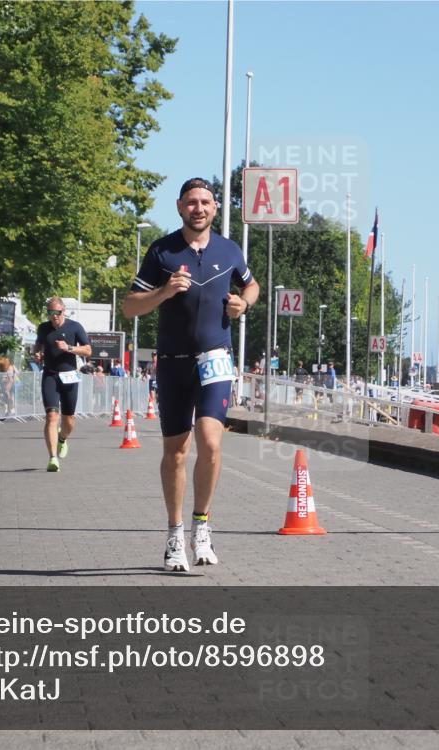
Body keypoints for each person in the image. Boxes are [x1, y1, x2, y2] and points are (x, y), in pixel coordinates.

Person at [122, 177, 259, 571]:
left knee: (211, 442)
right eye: (191, 203)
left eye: (205, 202)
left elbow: (252, 287)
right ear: (180, 207)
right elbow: (131, 307)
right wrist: (163, 292)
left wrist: (242, 306)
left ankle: (202, 526)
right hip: (174, 361)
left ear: (215, 208)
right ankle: (174, 533)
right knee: (176, 452)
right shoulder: (161, 251)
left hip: (216, 358)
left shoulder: (230, 250)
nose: (198, 208)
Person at [32, 297, 92, 472]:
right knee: (51, 417)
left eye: (57, 313)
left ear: (63, 311)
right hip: (50, 375)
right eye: (50, 313)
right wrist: (36, 353)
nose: (54, 316)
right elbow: (38, 345)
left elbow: (88, 350)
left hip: (70, 377)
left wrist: (70, 348)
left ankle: (62, 439)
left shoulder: (75, 327)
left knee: (69, 420)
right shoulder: (43, 328)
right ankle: (52, 458)